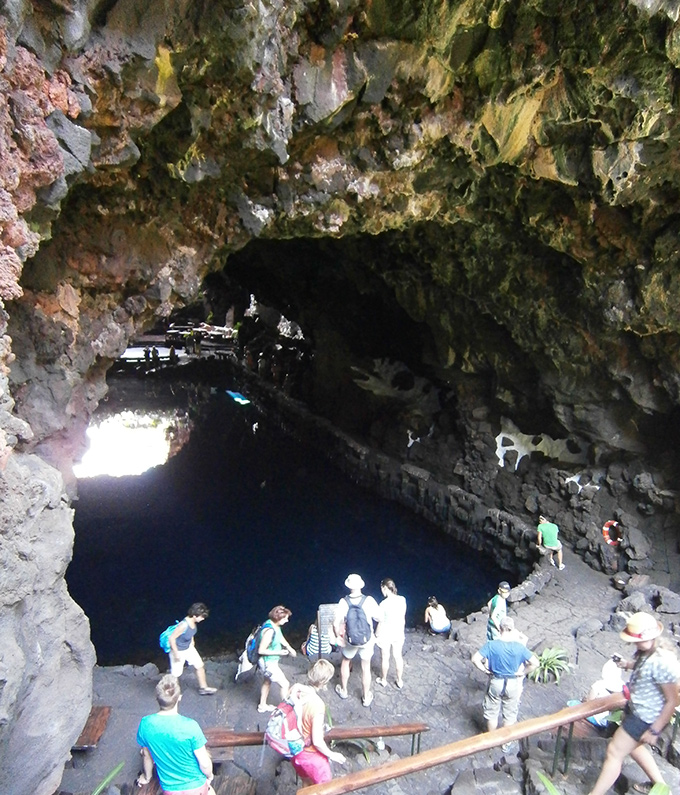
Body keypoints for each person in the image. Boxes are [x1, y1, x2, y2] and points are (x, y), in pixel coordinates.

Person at [587, 612, 680, 795]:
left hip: (645, 717)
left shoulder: (661, 661)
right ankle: (661, 787)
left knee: (614, 752)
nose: (634, 643)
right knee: (635, 748)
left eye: (636, 639)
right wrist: (626, 664)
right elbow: (643, 666)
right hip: (639, 711)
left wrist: (654, 730)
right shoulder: (650, 651)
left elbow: (672, 700)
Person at [136, 674, 215, 794]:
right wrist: (209, 776)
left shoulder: (145, 724)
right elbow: (204, 763)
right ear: (179, 697)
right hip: (197, 787)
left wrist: (147, 778)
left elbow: (146, 755)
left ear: (157, 698)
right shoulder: (191, 726)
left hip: (170, 789)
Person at [471, 617, 539, 752]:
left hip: (496, 681)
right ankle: (506, 743)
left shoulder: (491, 645)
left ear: (500, 629)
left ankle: (491, 740)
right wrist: (523, 673)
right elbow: (535, 663)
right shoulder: (519, 647)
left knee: (492, 711)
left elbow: (475, 659)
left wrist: (485, 670)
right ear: (512, 629)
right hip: (513, 683)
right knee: (510, 713)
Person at [288, 660, 346, 785]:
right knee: (324, 787)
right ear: (325, 682)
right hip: (310, 755)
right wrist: (332, 755)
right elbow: (317, 741)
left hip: (295, 751)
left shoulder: (295, 690)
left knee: (306, 782)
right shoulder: (317, 705)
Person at [333, 574, 382, 707]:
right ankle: (366, 697)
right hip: (367, 639)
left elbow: (335, 623)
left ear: (348, 586)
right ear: (361, 586)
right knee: (366, 667)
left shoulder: (343, 602)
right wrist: (376, 635)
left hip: (350, 640)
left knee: (345, 661)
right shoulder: (369, 600)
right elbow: (379, 618)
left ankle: (343, 691)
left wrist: (339, 637)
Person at [167, 603, 217, 695]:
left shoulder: (193, 622)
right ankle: (172, 693)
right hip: (178, 650)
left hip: (188, 648)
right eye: (201, 617)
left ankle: (203, 688)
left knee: (199, 665)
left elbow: (190, 634)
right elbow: (171, 638)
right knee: (176, 674)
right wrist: (176, 653)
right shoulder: (183, 625)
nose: (203, 619)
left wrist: (192, 642)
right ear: (194, 616)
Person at [257, 605, 297, 713]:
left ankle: (262, 705)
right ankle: (287, 709)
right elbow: (261, 650)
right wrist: (279, 652)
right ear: (278, 618)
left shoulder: (273, 625)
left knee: (267, 681)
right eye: (285, 618)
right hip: (268, 663)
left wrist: (289, 647)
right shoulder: (269, 631)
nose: (287, 620)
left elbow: (280, 637)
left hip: (270, 662)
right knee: (285, 684)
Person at [376, 578, 407, 689]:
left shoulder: (383, 604)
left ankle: (383, 680)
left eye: (382, 589)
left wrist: (376, 634)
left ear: (385, 588)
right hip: (398, 632)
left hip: (386, 633)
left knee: (385, 658)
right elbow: (402, 617)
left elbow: (381, 621)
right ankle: (399, 680)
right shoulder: (402, 599)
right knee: (398, 657)